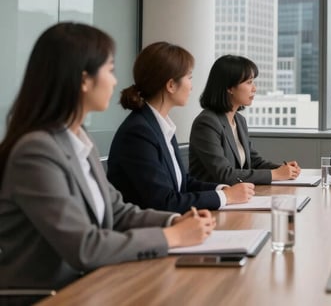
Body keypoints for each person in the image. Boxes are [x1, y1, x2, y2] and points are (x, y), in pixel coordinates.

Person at [0, 23, 214, 291]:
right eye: (110, 70)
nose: (115, 81)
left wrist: (173, 221)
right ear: (84, 80)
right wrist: (170, 236)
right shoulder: (35, 152)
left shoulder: (79, 139)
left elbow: (118, 211)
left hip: (92, 285)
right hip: (52, 296)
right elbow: (85, 247)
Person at [108, 42, 255, 213]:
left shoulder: (160, 126)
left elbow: (184, 183)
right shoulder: (139, 133)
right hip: (149, 232)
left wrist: (222, 190)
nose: (191, 85)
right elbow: (164, 201)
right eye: (189, 77)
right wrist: (226, 197)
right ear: (171, 85)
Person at [189, 55, 301, 184]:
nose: (254, 88)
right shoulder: (207, 123)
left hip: (237, 197)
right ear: (229, 87)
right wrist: (275, 174)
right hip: (213, 199)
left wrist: (283, 170)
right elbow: (224, 174)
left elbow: (254, 162)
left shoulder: (239, 120)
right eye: (249, 82)